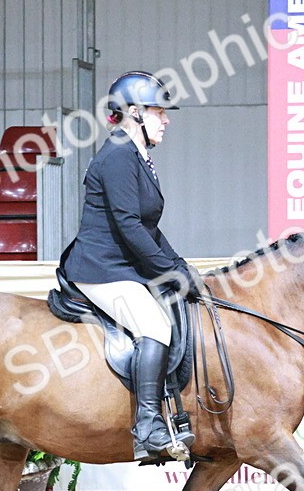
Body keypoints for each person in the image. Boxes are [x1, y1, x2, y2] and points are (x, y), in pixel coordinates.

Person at [59, 71, 201, 462]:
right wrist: (168, 271)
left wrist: (179, 266)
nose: (166, 120)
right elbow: (129, 226)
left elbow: (148, 227)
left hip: (123, 265)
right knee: (154, 326)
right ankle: (149, 426)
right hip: (101, 269)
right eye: (159, 112)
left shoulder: (137, 155)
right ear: (134, 112)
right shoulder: (119, 155)